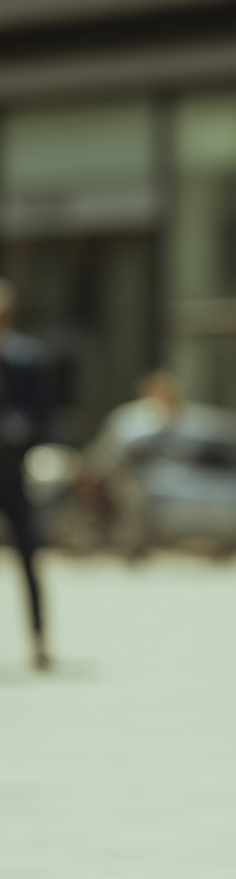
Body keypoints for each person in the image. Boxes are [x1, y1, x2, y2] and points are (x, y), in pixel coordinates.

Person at [0, 278, 53, 668]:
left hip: (13, 471)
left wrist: (23, 429)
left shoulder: (27, 356)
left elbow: (43, 411)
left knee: (29, 556)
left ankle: (38, 639)